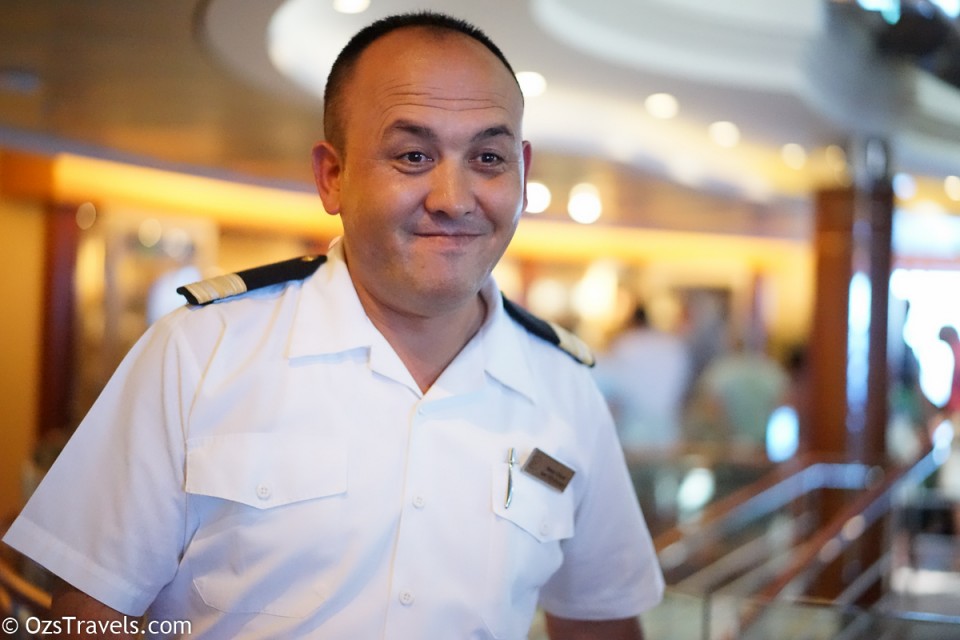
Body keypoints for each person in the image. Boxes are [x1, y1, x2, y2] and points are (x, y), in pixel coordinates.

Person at [2, 12, 663, 639]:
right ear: (333, 176)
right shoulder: (201, 353)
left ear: (522, 172)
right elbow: (86, 616)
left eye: (488, 159)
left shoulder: (564, 389)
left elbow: (599, 620)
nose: (454, 199)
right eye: (413, 156)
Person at [594, 304, 691, 451]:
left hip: (634, 430)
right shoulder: (672, 345)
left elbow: (614, 387)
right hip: (668, 429)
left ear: (631, 322)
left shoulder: (627, 343)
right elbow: (684, 388)